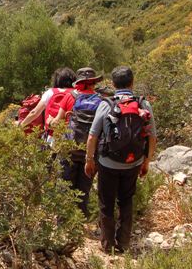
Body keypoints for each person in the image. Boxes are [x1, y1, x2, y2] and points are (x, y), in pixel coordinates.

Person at [85, 66, 157, 253]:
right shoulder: (142, 104)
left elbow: (92, 136)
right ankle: (123, 243)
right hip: (133, 162)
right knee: (126, 200)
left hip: (108, 162)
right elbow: (152, 136)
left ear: (113, 84)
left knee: (106, 201)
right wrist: (146, 161)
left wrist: (89, 160)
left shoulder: (106, 104)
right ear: (132, 82)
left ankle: (107, 244)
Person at [47, 67, 103, 217]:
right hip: (90, 152)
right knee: (83, 189)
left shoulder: (70, 97)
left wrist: (50, 121)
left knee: (64, 186)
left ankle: (64, 223)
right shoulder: (101, 100)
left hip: (68, 149)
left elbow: (57, 122)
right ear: (93, 82)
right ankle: (80, 221)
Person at [17, 67, 76, 136]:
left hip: (52, 134)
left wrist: (22, 124)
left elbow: (35, 112)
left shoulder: (50, 92)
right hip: (71, 134)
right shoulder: (76, 93)